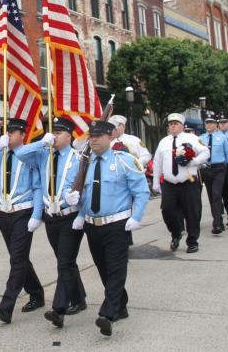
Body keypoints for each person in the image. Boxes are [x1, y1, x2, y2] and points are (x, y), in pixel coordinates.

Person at [69, 119, 150, 337]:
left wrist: (137, 216)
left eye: (98, 136)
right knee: (103, 268)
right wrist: (76, 204)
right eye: (91, 136)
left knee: (115, 269)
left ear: (110, 137)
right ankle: (120, 304)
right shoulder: (85, 163)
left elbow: (141, 192)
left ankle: (108, 313)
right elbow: (84, 194)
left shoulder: (123, 160)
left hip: (117, 224)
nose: (93, 140)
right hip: (92, 225)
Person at [15, 116, 87, 328]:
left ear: (69, 135)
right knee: (66, 261)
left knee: (64, 262)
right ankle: (79, 298)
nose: (54, 136)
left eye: (58, 132)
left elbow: (86, 188)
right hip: (50, 217)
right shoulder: (43, 155)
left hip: (69, 217)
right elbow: (20, 153)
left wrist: (81, 208)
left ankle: (58, 309)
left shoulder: (77, 158)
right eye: (53, 132)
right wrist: (41, 142)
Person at [0, 118, 45, 324]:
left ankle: (6, 306)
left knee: (16, 259)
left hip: (24, 212)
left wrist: (36, 214)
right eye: (8, 131)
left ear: (23, 135)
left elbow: (38, 186)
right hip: (5, 214)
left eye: (14, 132)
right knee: (19, 258)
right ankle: (36, 292)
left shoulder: (30, 155)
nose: (9, 135)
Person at [152, 113, 209, 254]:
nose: (172, 126)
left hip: (188, 181)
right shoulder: (164, 142)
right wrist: (155, 182)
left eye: (175, 123)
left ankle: (192, 241)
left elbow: (206, 152)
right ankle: (176, 233)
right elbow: (157, 162)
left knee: (192, 212)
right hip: (169, 182)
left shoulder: (192, 138)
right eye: (170, 124)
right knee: (167, 210)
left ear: (182, 125)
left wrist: (194, 161)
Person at [199, 115, 228, 234]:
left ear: (216, 125)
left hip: (219, 168)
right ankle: (219, 221)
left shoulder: (222, 138)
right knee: (212, 196)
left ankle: (222, 221)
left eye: (211, 123)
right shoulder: (200, 139)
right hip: (206, 169)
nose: (209, 125)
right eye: (207, 123)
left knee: (218, 194)